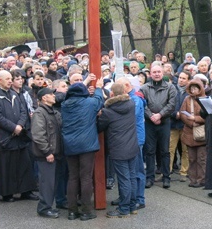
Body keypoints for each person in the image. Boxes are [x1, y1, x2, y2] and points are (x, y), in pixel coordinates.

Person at [0, 70, 37, 202]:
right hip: (4, 137)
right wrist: (13, 127)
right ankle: (7, 193)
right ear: (0, 81)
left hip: (19, 136)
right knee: (6, 165)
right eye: (7, 78)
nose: (10, 81)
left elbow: (23, 111)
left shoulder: (15, 94)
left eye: (11, 78)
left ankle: (26, 191)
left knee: (23, 163)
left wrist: (20, 125)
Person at [61, 74, 104, 221]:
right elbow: (99, 100)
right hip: (86, 145)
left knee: (73, 178)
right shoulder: (90, 103)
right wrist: (98, 88)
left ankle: (72, 211)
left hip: (70, 144)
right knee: (85, 178)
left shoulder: (64, 105)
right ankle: (86, 211)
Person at [97, 83, 139, 218]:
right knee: (131, 176)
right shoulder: (131, 104)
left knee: (123, 179)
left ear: (112, 94)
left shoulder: (108, 112)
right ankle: (132, 205)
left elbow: (99, 127)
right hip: (132, 146)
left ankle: (124, 209)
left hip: (118, 149)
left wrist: (100, 113)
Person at [141, 64, 176, 189]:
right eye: (154, 72)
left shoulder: (170, 87)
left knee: (165, 151)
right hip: (149, 123)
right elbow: (142, 104)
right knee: (150, 151)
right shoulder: (144, 88)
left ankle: (166, 177)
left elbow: (171, 105)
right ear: (150, 73)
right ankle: (149, 177)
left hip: (164, 122)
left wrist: (160, 115)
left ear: (162, 73)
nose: (156, 74)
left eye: (159, 72)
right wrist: (151, 116)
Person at [31, 87, 63, 219]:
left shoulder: (53, 112)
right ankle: (44, 208)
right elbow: (38, 135)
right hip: (46, 155)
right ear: (44, 98)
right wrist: (47, 152)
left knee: (52, 182)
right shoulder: (40, 113)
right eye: (51, 94)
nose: (54, 96)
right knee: (46, 183)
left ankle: (48, 206)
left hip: (55, 153)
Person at [178, 78, 207, 188]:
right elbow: (182, 114)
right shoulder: (187, 99)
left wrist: (196, 119)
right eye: (192, 88)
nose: (194, 90)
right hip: (189, 132)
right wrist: (190, 123)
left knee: (202, 158)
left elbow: (208, 116)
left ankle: (202, 179)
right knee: (191, 158)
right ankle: (193, 179)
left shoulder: (205, 99)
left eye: (196, 88)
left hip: (201, 133)